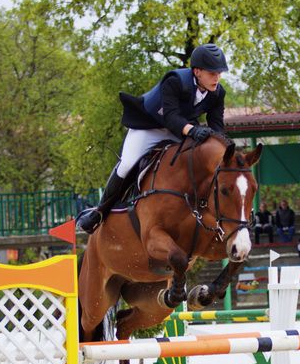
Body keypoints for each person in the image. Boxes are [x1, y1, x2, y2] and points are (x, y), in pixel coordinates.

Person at [76, 44, 229, 233]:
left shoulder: (217, 93)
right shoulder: (175, 81)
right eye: (212, 73)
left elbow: (217, 127)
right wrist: (192, 131)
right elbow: (170, 116)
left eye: (219, 73)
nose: (217, 77)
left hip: (179, 130)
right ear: (197, 71)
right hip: (149, 126)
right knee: (127, 164)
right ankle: (99, 212)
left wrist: (226, 150)